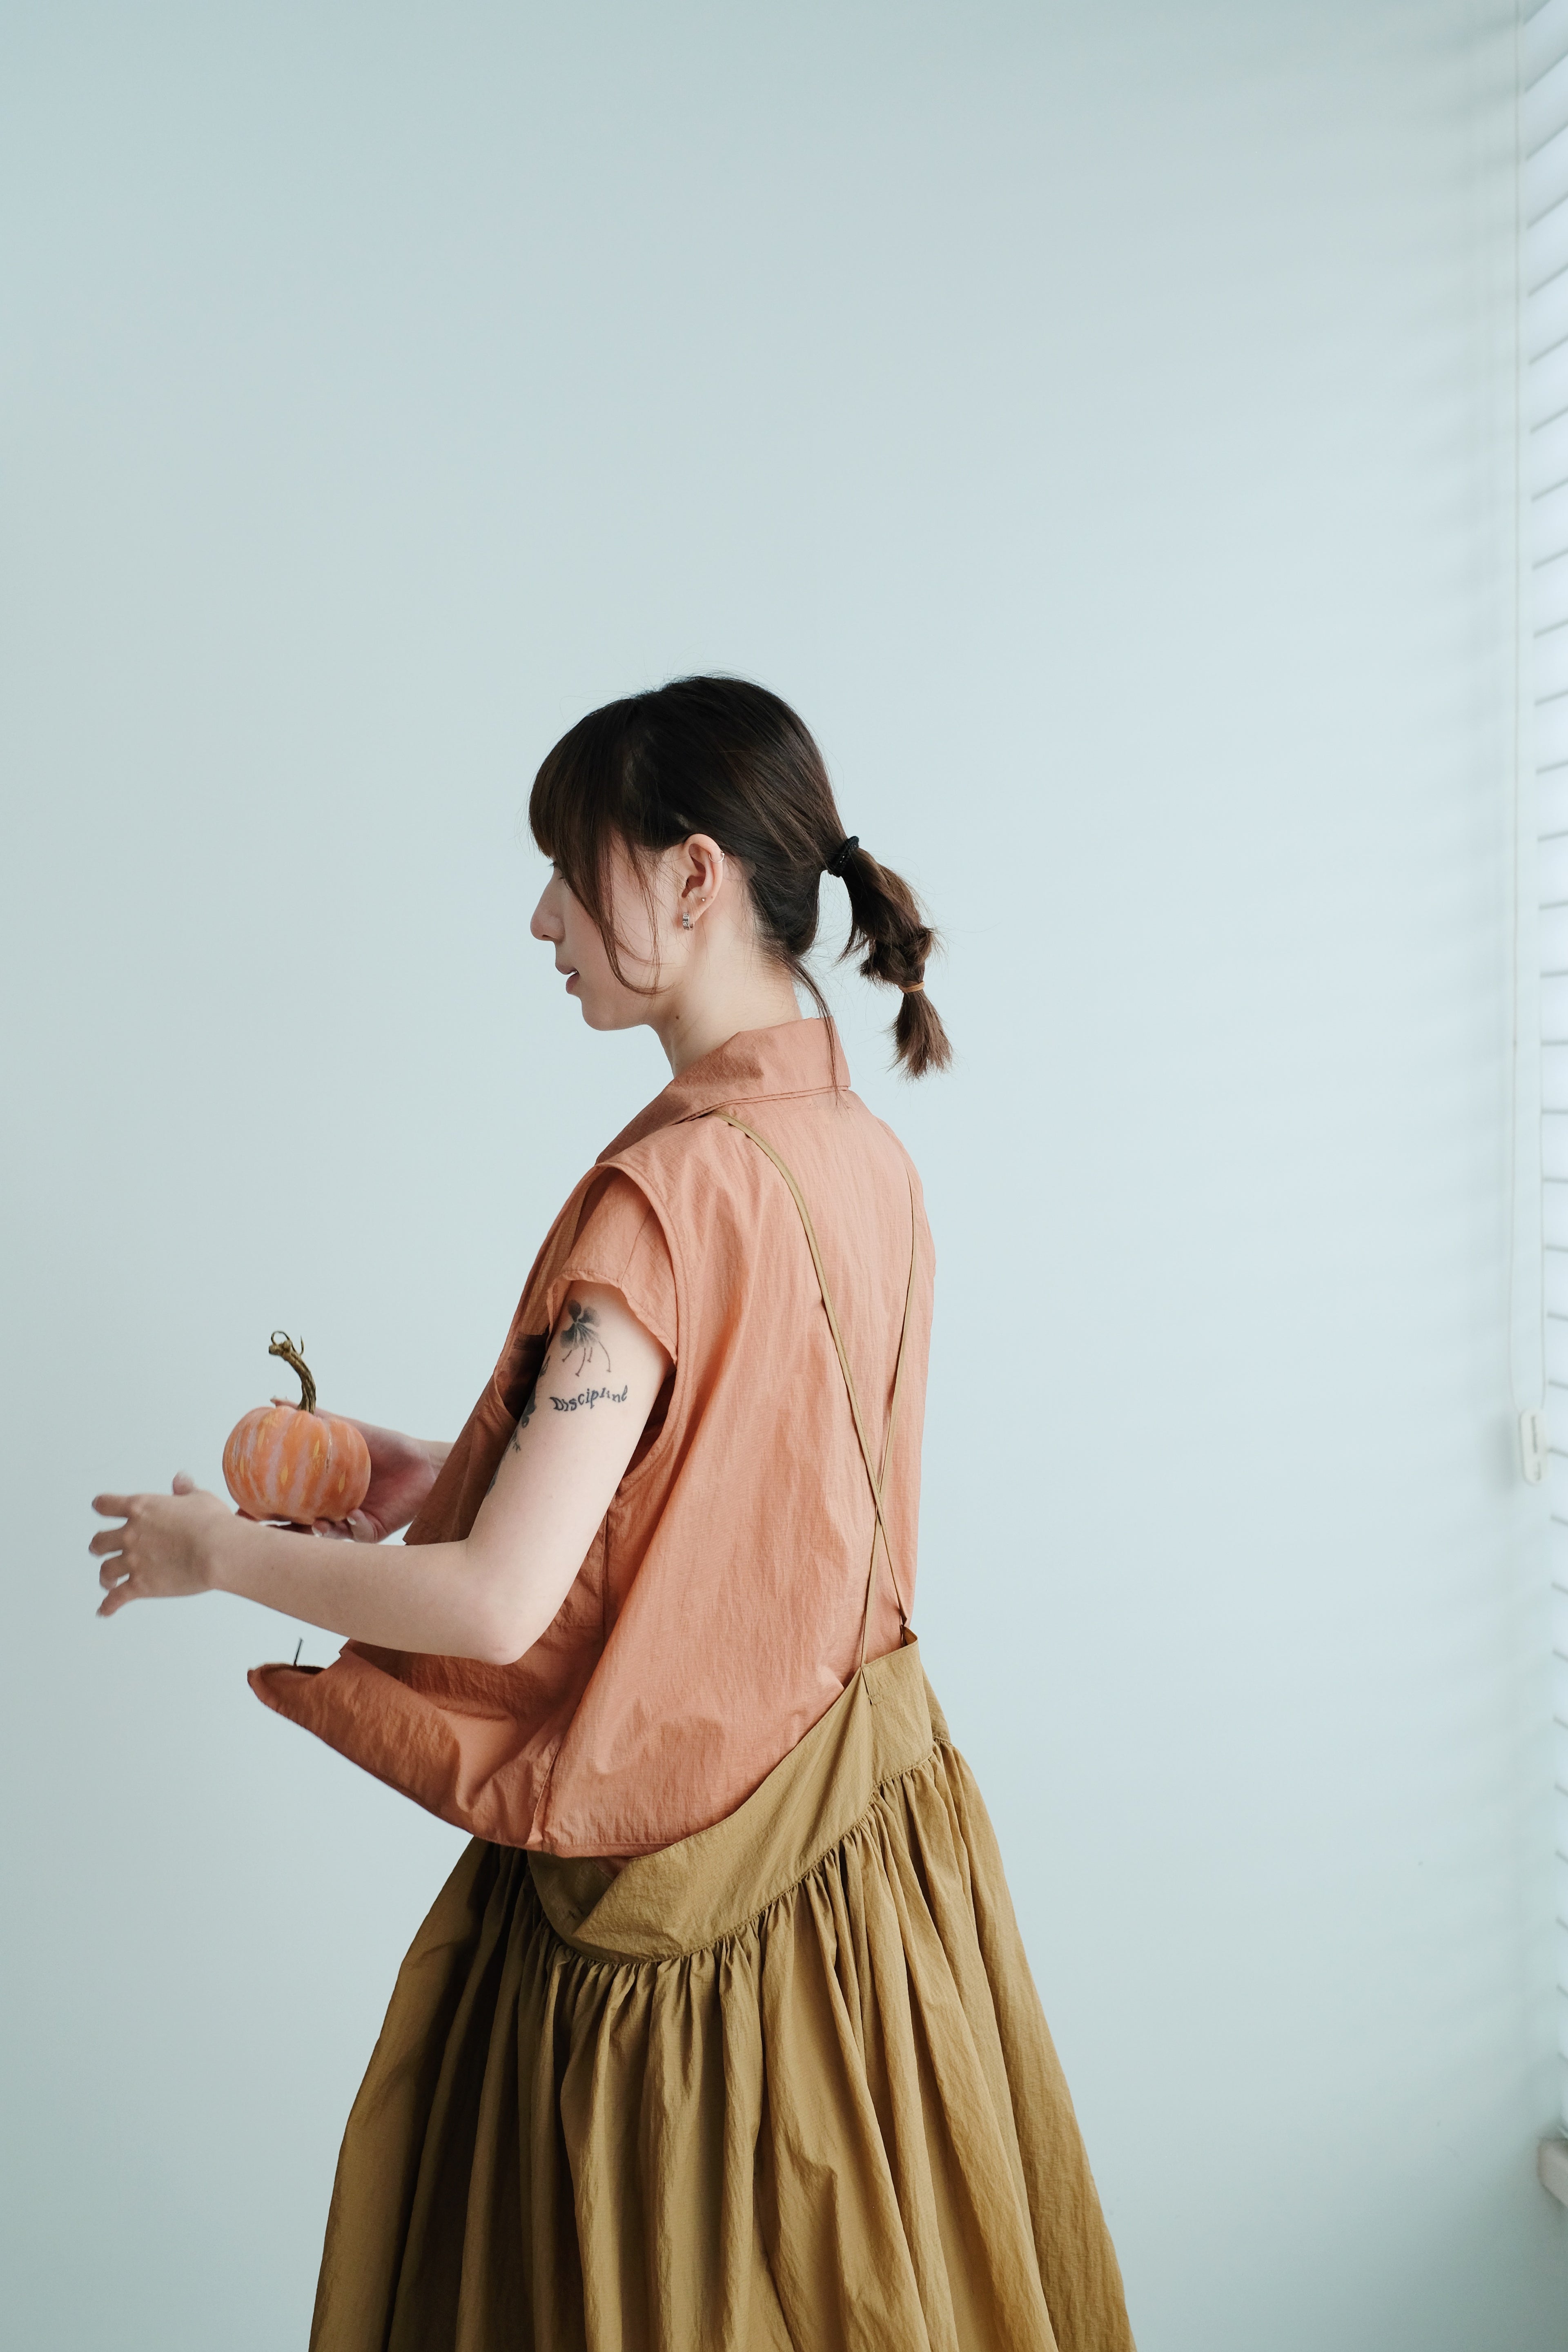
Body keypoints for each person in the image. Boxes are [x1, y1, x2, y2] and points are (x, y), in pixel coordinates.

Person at [90, 677, 1135, 2352]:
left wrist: (218, 1555)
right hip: (877, 1890)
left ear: (691, 875)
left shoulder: (666, 1200)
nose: (543, 919)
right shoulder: (861, 1154)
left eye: (572, 871)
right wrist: (443, 1468)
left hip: (687, 1945)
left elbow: (499, 1606)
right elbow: (739, 1493)